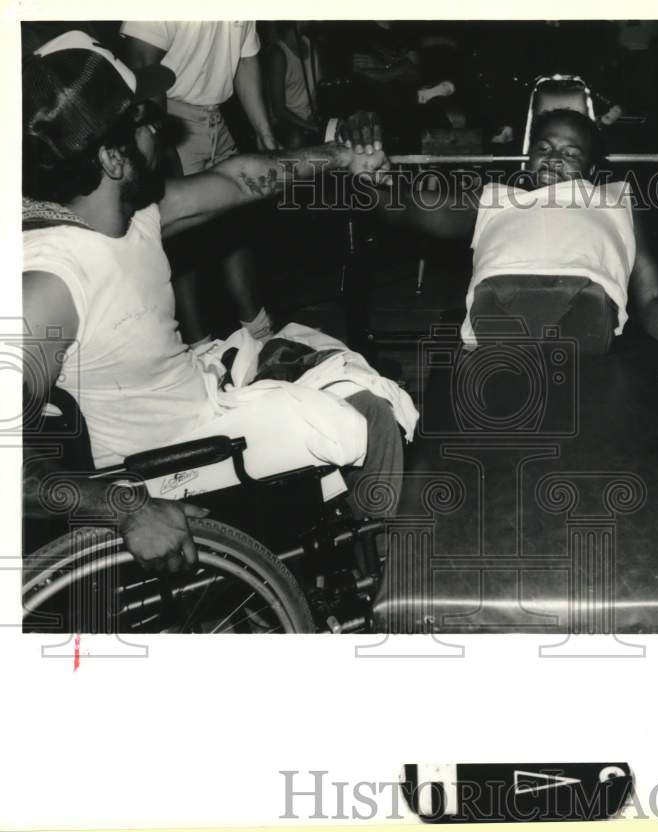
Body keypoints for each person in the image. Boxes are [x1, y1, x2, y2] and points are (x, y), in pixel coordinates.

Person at [21, 31, 401, 573]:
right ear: (111, 156)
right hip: (171, 459)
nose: (158, 126)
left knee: (321, 354)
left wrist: (342, 156)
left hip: (197, 399)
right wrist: (123, 506)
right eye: (142, 121)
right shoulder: (50, 281)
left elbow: (240, 178)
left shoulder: (123, 213)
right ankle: (376, 582)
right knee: (372, 416)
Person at [375, 108, 658, 395]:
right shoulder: (495, 197)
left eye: (571, 153)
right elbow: (411, 208)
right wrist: (375, 177)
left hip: (585, 308)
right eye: (544, 147)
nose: (553, 158)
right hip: (498, 306)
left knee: (582, 316)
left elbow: (652, 296)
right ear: (528, 157)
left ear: (592, 170)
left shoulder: (615, 200)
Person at [119, 20, 278, 346]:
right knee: (181, 238)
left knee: (237, 220)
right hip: (170, 113)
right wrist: (160, 142)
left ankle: (259, 334)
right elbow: (141, 58)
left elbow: (246, 59)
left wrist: (264, 132)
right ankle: (199, 347)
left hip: (216, 115)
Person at [263, 21, 322, 150]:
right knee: (296, 139)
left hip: (310, 118)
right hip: (287, 123)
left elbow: (320, 90)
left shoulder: (311, 46)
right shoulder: (279, 54)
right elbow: (278, 110)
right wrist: (309, 126)